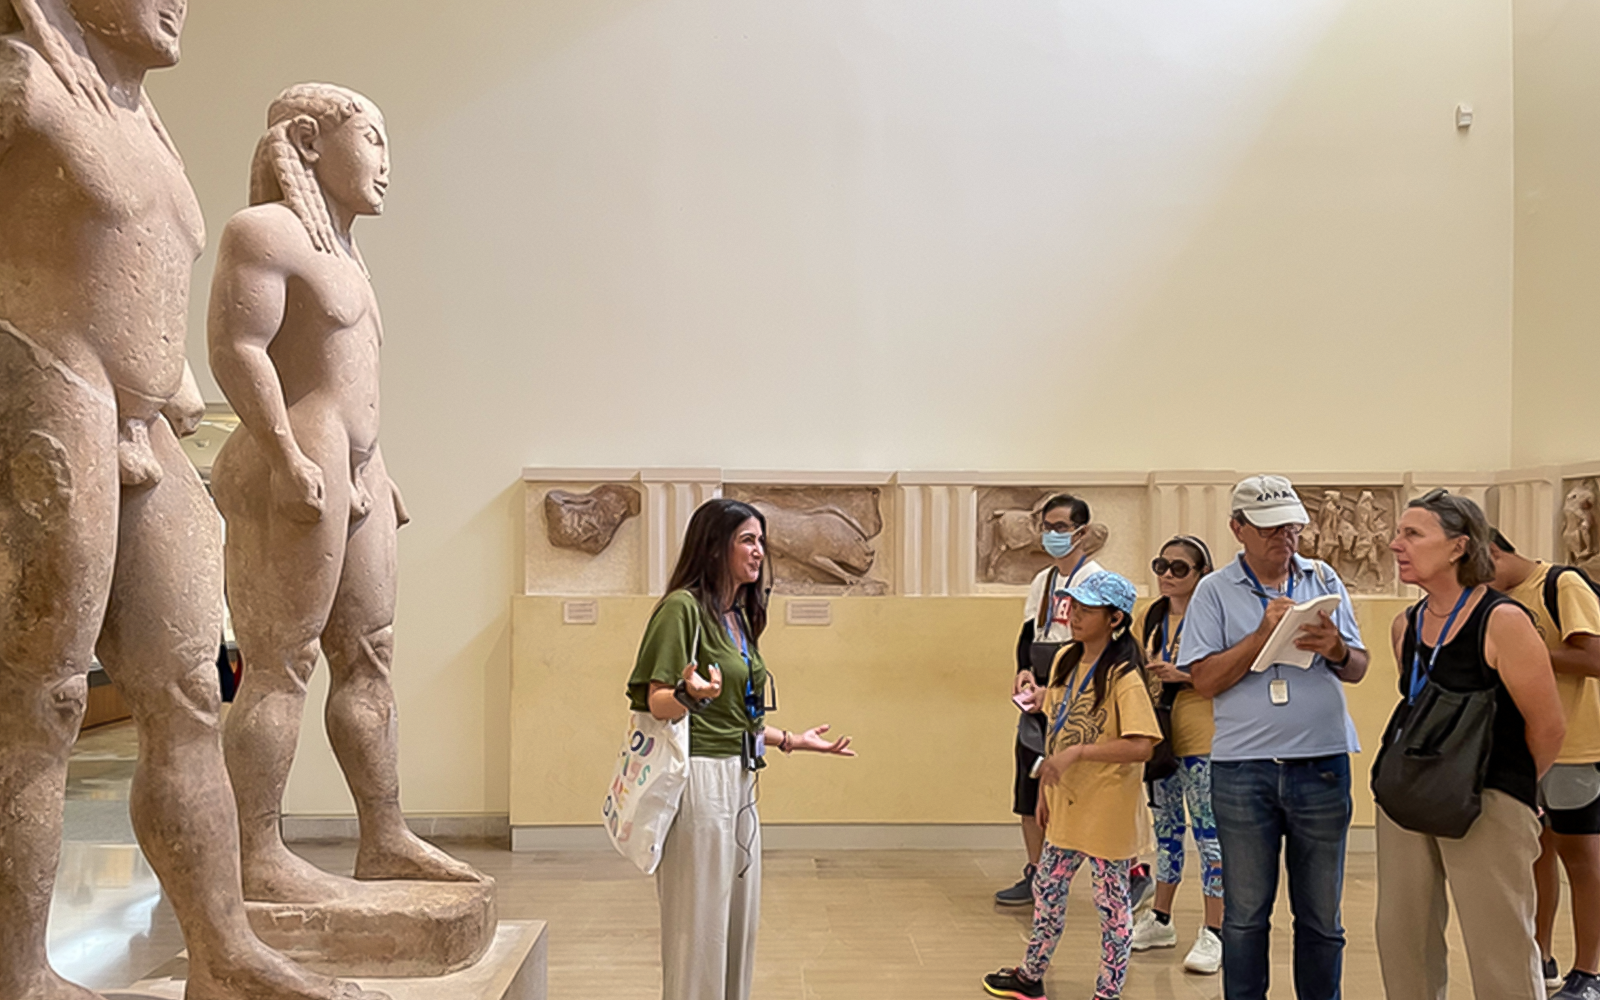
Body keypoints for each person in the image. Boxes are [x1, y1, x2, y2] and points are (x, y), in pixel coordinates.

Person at [0, 4, 383, 999]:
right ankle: (20, 969)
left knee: (189, 695)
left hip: (145, 419)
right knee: (42, 700)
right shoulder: (24, 84)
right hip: (51, 383)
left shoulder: (141, 119)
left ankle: (223, 948)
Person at [210, 83, 481, 899]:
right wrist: (286, 453)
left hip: (356, 466)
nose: (386, 165)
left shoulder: (348, 257)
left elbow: (351, 378)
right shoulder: (265, 233)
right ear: (308, 140)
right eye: (372, 140)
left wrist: (378, 466)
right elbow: (238, 349)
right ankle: (256, 852)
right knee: (281, 663)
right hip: (300, 458)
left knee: (369, 655)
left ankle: (384, 836)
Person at [626, 498, 854, 1000]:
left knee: (737, 923)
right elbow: (653, 699)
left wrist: (793, 740)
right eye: (747, 540)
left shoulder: (736, 617)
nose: (759, 551)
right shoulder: (682, 609)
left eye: (760, 540)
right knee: (699, 927)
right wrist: (688, 695)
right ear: (714, 547)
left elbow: (737, 718)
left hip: (741, 774)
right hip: (699, 780)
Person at [1180, 475, 1369, 1000]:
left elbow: (1357, 667)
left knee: (1321, 916)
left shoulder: (1323, 576)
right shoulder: (1214, 591)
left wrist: (1335, 648)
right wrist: (1262, 636)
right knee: (1244, 916)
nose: (1283, 538)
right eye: (1268, 528)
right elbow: (1204, 680)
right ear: (1238, 528)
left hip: (1323, 762)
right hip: (1244, 769)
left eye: (1290, 527)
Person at [1374, 491, 1565, 1000]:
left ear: (1459, 546)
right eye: (1398, 533)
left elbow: (1548, 727)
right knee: (1402, 941)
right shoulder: (1406, 625)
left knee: (1499, 947)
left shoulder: (1503, 620)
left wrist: (1513, 793)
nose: (1396, 545)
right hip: (1408, 796)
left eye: (1413, 534)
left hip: (1489, 799)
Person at [982, 570, 1159, 1000]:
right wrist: (1045, 788)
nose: (1074, 616)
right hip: (1066, 801)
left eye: (1085, 610)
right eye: (1073, 607)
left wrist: (1079, 755)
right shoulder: (1065, 659)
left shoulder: (1124, 676)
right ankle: (1031, 974)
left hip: (1107, 809)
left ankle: (1107, 992)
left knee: (1111, 905)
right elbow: (1056, 727)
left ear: (1114, 618)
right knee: (1048, 887)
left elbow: (1141, 745)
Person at [1489, 529, 1600, 998]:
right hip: (1524, 749)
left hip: (1576, 746)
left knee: (1583, 859)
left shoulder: (1562, 583)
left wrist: (1524, 651)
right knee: (1537, 856)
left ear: (1492, 552)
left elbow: (1594, 657)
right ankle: (1541, 954)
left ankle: (1589, 972)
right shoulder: (1497, 599)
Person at [997, 494, 1106, 906]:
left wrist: (1058, 690)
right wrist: (1024, 671)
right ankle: (1037, 873)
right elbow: (1029, 634)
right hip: (1036, 691)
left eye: (1060, 527)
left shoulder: (1095, 579)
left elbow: (1097, 645)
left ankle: (1124, 871)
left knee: (1080, 787)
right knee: (1029, 781)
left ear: (1082, 532)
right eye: (1046, 527)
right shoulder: (1043, 580)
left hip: (1072, 688)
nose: (1052, 535)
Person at [1131, 535, 1224, 974]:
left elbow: (1231, 673)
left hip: (1204, 736)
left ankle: (1215, 930)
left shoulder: (1216, 614)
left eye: (1179, 568)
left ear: (1201, 573)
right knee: (1166, 830)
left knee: (1209, 835)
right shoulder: (1149, 616)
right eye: (1161, 565)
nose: (1168, 575)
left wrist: (1183, 675)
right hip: (1160, 736)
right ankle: (1161, 918)